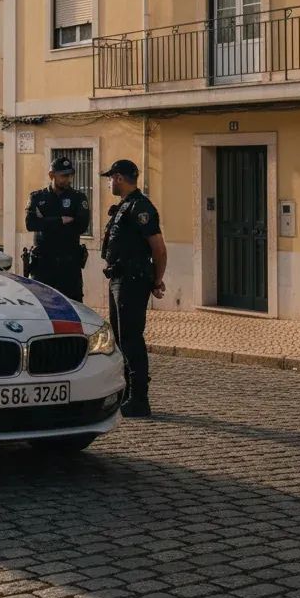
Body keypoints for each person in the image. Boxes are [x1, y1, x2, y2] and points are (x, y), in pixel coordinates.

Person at [100, 159, 167, 419]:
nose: (109, 183)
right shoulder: (124, 207)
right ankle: (127, 393)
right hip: (119, 278)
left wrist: (156, 281)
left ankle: (139, 399)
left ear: (119, 178)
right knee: (120, 337)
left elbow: (159, 249)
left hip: (132, 280)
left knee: (131, 338)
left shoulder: (141, 207)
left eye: (111, 178)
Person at [24, 156, 90, 301]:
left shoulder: (78, 198)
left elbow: (81, 226)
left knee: (73, 307)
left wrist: (45, 221)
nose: (67, 179)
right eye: (63, 176)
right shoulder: (37, 197)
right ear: (51, 175)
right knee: (42, 307)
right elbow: (31, 224)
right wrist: (60, 220)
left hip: (69, 266)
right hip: (43, 266)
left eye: (70, 175)